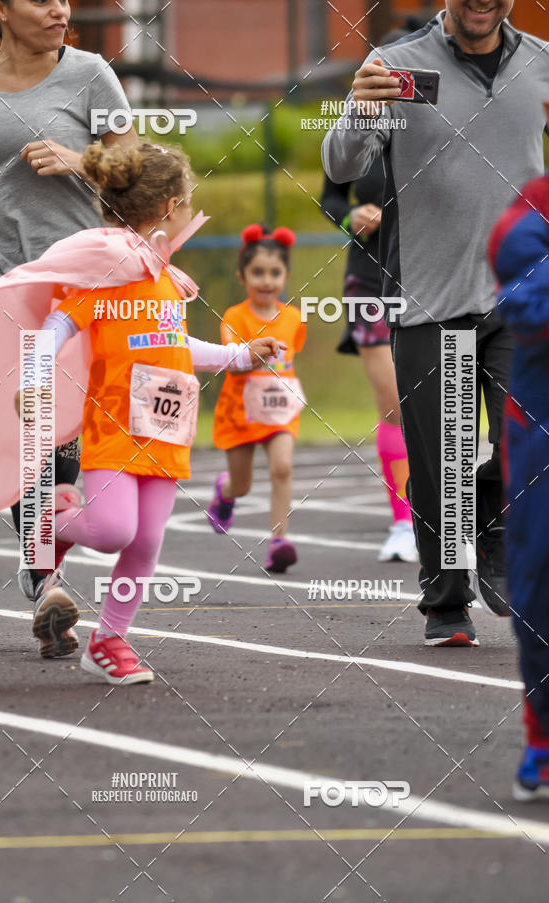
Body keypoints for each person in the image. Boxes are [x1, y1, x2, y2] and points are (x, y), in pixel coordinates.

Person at [5, 142, 283, 683]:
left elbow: (174, 345)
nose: (189, 212)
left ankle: (109, 642)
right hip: (113, 425)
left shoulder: (164, 277)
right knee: (112, 532)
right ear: (168, 207)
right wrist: (34, 374)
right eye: (189, 203)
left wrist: (239, 355)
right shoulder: (102, 274)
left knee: (147, 541)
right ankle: (51, 527)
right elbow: (57, 327)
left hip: (167, 430)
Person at [322, 1, 549, 646]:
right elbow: (341, 170)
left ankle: (497, 532)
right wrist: (358, 108)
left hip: (522, 294)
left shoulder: (541, 63)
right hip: (432, 297)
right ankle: (446, 603)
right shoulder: (394, 65)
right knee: (441, 459)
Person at [0, 0, 137, 646]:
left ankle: (44, 577)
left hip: (72, 285)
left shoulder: (91, 76)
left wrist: (80, 161)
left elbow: (134, 170)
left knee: (60, 448)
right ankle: (44, 584)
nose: (60, 7)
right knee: (16, 431)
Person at [320, 163, 417, 564]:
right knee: (395, 403)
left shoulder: (441, 120)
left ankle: (448, 517)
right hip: (370, 279)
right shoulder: (360, 126)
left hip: (432, 277)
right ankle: (404, 525)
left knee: (437, 398)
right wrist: (349, 216)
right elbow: (332, 198)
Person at [488, 164, 549, 797]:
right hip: (540, 428)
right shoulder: (526, 216)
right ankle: (543, 736)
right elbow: (528, 304)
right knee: (537, 584)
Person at [207, 224, 306, 573]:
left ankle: (279, 541)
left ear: (286, 276)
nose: (267, 281)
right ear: (242, 276)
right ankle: (225, 491)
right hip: (240, 412)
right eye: (258, 273)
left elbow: (293, 357)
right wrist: (253, 358)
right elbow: (232, 365)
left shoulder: (293, 318)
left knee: (282, 468)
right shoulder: (235, 317)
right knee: (243, 484)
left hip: (279, 411)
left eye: (275, 273)